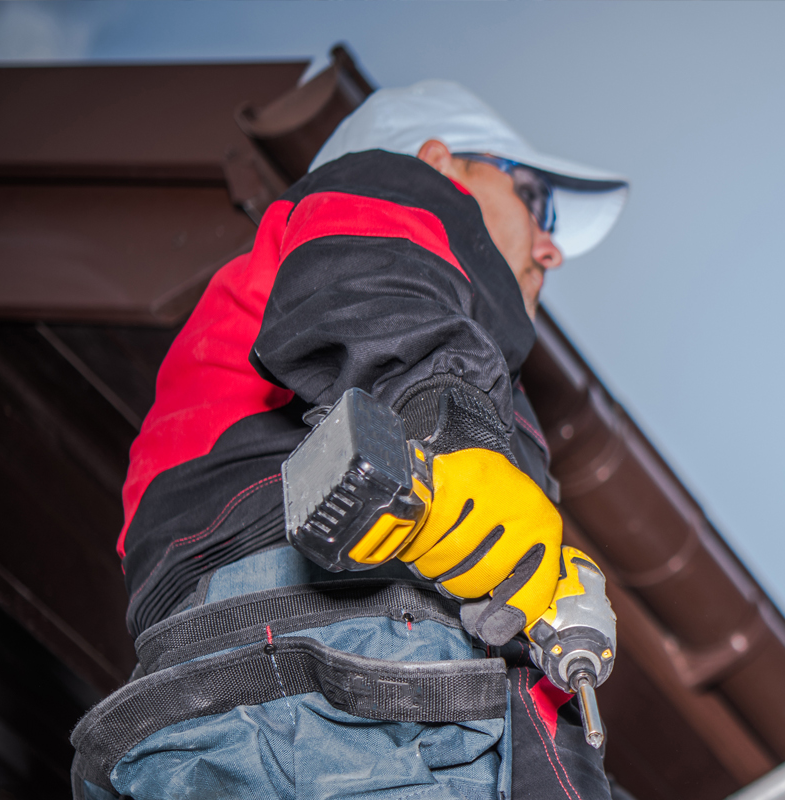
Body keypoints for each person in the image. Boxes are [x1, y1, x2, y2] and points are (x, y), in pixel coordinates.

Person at [71, 80, 628, 800]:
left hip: (337, 698)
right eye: (536, 200)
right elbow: (378, 289)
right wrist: (455, 436)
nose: (549, 248)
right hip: (339, 691)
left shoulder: (477, 362)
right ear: (441, 163)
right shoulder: (385, 195)